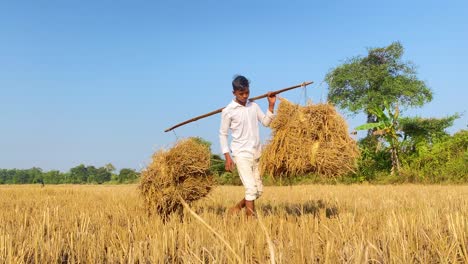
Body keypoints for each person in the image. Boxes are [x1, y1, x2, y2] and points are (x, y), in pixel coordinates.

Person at [219, 75, 276, 217]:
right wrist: (227, 156)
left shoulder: (254, 106)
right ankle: (250, 222)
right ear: (234, 93)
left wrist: (271, 105)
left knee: (258, 191)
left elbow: (266, 122)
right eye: (241, 94)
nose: (245, 96)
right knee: (250, 189)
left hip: (256, 153)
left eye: (247, 93)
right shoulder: (228, 111)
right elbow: (223, 134)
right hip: (241, 153)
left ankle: (236, 208)